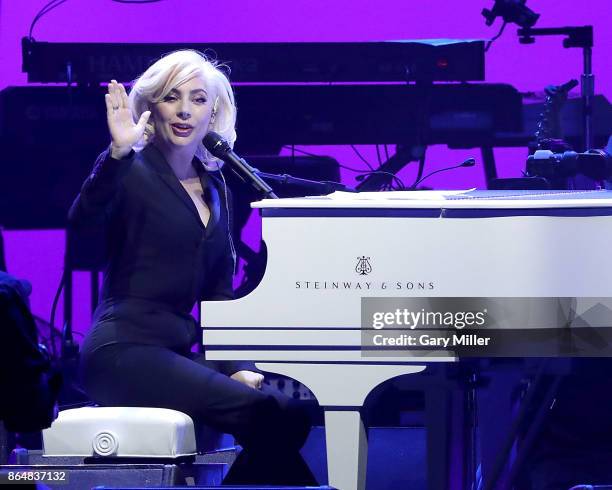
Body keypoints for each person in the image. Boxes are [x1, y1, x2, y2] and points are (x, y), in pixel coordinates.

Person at [69, 50, 315, 485]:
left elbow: (219, 296)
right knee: (259, 412)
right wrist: (115, 156)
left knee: (293, 409)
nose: (184, 110)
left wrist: (235, 363)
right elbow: (83, 239)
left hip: (178, 350)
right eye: (171, 97)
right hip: (123, 351)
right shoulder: (129, 169)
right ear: (151, 107)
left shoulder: (216, 183)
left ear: (213, 112)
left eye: (198, 99)